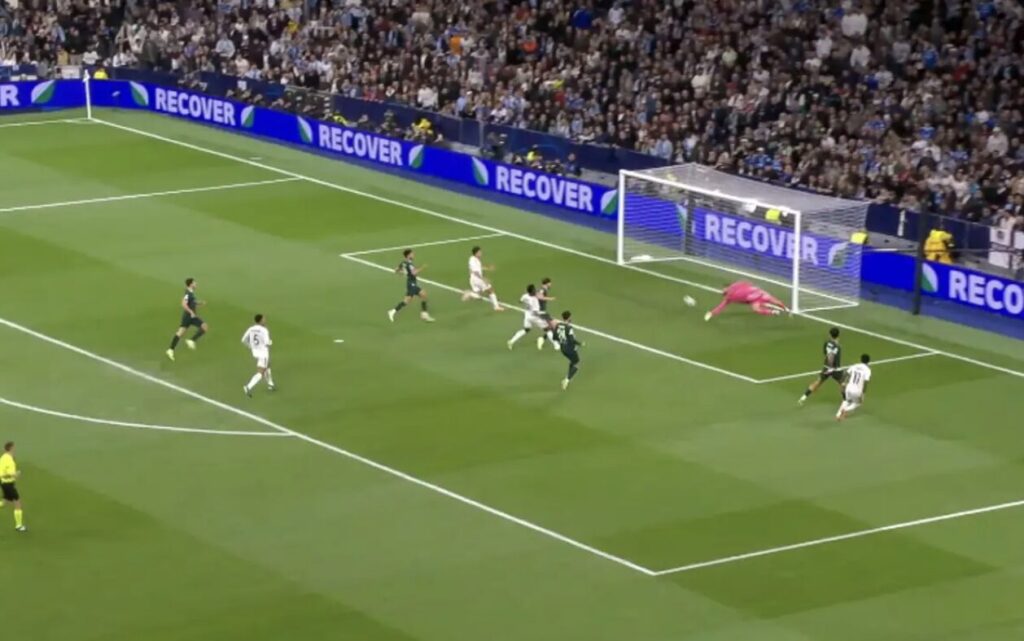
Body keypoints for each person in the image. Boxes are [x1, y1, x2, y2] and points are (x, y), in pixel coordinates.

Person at [798, 327, 844, 405]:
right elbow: (831, 356)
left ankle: (803, 398)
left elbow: (825, 353)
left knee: (818, 382)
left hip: (826, 367)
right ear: (838, 335)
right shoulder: (837, 346)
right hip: (835, 369)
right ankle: (845, 400)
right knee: (842, 383)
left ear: (830, 335)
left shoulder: (827, 343)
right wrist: (831, 367)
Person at [166, 278, 208, 361]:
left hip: (188, 316)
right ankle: (191, 341)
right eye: (194, 283)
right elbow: (184, 304)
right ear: (191, 284)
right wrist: (191, 312)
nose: (196, 284)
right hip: (189, 316)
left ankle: (170, 350)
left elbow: (192, 302)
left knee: (180, 333)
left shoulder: (190, 293)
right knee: (204, 327)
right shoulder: (188, 293)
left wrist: (199, 303)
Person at [704, 281, 789, 321]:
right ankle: (773, 312)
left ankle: (785, 308)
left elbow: (746, 283)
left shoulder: (736, 285)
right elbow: (722, 306)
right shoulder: (729, 297)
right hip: (754, 299)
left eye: (724, 289)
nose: (724, 291)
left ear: (728, 287)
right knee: (756, 309)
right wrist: (712, 313)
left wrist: (751, 288)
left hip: (760, 293)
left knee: (776, 302)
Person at [389, 249, 435, 322]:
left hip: (410, 283)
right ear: (408, 255)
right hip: (412, 284)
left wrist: (403, 273)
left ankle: (393, 311)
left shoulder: (403, 263)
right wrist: (423, 267)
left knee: (418, 296)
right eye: (412, 254)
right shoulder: (409, 264)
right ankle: (424, 315)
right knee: (419, 296)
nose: (413, 255)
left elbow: (396, 270)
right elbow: (414, 273)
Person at [241, 314, 276, 397]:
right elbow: (267, 343)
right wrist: (271, 342)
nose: (265, 320)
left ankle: (270, 384)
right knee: (261, 372)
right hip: (263, 353)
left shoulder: (251, 329)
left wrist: (250, 346)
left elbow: (243, 340)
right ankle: (248, 387)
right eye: (264, 319)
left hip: (255, 352)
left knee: (267, 365)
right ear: (260, 321)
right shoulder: (264, 330)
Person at [461, 246, 503, 311]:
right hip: (477, 279)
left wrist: (488, 268)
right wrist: (483, 279)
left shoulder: (474, 259)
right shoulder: (473, 260)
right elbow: (476, 272)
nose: (481, 253)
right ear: (476, 253)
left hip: (473, 279)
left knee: (478, 296)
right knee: (490, 290)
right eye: (479, 252)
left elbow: (479, 267)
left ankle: (470, 294)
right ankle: (496, 307)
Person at [507, 284, 546, 349]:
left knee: (526, 329)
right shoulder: (534, 300)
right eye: (534, 290)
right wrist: (542, 316)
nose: (535, 290)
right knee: (548, 328)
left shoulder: (524, 296)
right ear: (532, 291)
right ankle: (556, 345)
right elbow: (535, 312)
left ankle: (511, 341)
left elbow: (520, 301)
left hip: (527, 315)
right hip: (534, 317)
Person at [837, 354, 872, 421]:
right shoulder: (868, 370)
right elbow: (865, 382)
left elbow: (845, 374)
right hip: (857, 390)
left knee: (847, 400)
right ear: (868, 362)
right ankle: (845, 410)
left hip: (848, 387)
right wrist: (863, 393)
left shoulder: (854, 366)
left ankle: (838, 415)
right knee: (858, 403)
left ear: (860, 359)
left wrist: (842, 383)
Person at [555, 310, 585, 390]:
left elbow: (555, 337)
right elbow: (572, 340)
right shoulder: (569, 328)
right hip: (570, 349)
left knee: (572, 361)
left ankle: (568, 376)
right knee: (577, 363)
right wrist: (580, 344)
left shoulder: (558, 325)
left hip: (563, 349)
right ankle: (567, 380)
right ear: (568, 318)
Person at [0, 441, 26, 532]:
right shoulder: (9, 460)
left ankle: (19, 525)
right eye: (14, 448)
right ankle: (19, 526)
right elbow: (6, 474)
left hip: (5, 484)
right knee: (18, 503)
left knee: (4, 502)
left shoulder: (3, 457)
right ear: (11, 448)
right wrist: (16, 474)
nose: (15, 449)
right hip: (8, 484)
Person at [535, 277, 559, 349]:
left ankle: (542, 339)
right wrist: (550, 298)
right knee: (554, 325)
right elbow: (539, 297)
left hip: (542, 312)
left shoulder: (543, 289)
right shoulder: (542, 289)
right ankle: (556, 344)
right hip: (541, 312)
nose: (551, 284)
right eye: (550, 283)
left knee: (552, 327)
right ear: (547, 283)